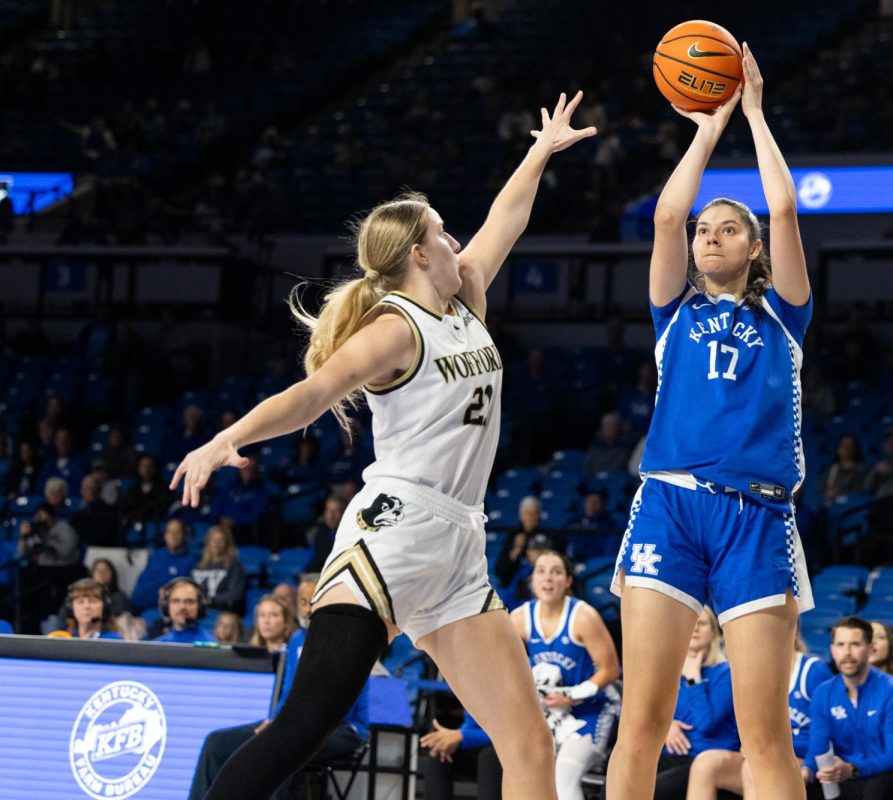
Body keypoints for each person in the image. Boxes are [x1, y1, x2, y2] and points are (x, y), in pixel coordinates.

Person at [170, 90, 595, 800]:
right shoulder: (396, 328)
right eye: (446, 234)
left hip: (458, 543)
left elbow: (507, 218)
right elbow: (311, 396)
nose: (460, 241)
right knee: (304, 725)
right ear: (421, 253)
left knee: (529, 745)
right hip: (392, 535)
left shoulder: (465, 299)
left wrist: (540, 151)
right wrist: (229, 437)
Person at [607, 44, 814, 800]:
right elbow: (666, 212)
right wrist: (706, 125)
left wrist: (753, 112)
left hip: (757, 516)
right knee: (641, 720)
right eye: (705, 230)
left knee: (766, 736)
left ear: (755, 248)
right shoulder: (674, 313)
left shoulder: (784, 317)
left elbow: (785, 206)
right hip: (668, 505)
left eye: (729, 228)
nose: (709, 234)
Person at [188, 575, 369, 800]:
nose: (307, 608)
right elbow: (289, 693)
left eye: (314, 600)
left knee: (282, 749)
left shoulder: (347, 638)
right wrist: (275, 721)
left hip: (343, 728)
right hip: (297, 723)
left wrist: (286, 729)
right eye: (302, 601)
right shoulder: (296, 640)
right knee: (216, 743)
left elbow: (342, 704)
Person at [512, 550, 620, 800]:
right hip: (548, 714)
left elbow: (610, 670)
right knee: (525, 776)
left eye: (556, 572)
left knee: (563, 776)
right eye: (541, 571)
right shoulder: (519, 619)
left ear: (568, 581)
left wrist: (570, 696)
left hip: (590, 712)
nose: (548, 579)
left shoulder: (584, 616)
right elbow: (503, 668)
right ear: (532, 580)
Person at [686, 622, 834, 800]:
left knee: (756, 767)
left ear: (794, 633)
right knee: (706, 763)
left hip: (802, 757)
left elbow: (826, 730)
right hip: (761, 753)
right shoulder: (752, 671)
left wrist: (809, 767)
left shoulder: (813, 670)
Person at [800, 616, 893, 800]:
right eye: (840, 645)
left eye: (855, 644)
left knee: (877, 788)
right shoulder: (823, 693)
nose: (846, 652)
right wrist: (807, 770)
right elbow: (818, 746)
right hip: (847, 774)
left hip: (891, 774)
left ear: (870, 649)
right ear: (832, 650)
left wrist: (853, 769)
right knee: (804, 789)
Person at [651, 608, 739, 800]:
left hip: (702, 759)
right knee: (617, 779)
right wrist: (668, 725)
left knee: (653, 791)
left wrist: (693, 679)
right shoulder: (668, 672)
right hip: (667, 755)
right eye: (691, 622)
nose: (695, 628)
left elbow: (705, 723)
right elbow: (651, 714)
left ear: (714, 632)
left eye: (703, 623)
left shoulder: (726, 674)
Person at [420, 710, 503, 800]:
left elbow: (514, 733)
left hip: (511, 753)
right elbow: (471, 725)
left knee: (489, 756)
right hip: (487, 747)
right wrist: (452, 737)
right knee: (440, 754)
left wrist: (462, 736)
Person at [130, 518, 196, 612]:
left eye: (177, 532)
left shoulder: (190, 561)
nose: (173, 536)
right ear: (165, 535)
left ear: (184, 536)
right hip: (141, 610)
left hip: (168, 612)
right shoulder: (156, 556)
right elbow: (140, 588)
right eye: (169, 532)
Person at [192, 523, 247, 613]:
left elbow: (234, 596)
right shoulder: (198, 566)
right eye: (213, 539)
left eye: (220, 540)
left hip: (222, 612)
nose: (216, 543)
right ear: (208, 543)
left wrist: (209, 600)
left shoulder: (234, 566)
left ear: (227, 543)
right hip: (198, 612)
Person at [52, 577, 124, 640]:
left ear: (105, 607)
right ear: (71, 608)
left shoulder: (114, 640)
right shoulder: (65, 639)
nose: (86, 606)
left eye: (93, 601)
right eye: (80, 602)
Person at [154, 576, 218, 644]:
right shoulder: (157, 645)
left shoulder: (210, 645)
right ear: (166, 606)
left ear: (200, 606)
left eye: (189, 601)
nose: (182, 607)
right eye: (176, 601)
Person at [823, 435, 870, 505]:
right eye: (842, 445)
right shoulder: (832, 468)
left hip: (853, 505)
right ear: (838, 449)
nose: (846, 448)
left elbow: (862, 490)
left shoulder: (863, 469)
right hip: (833, 506)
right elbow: (823, 488)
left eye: (849, 445)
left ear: (855, 449)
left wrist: (839, 492)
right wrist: (827, 491)